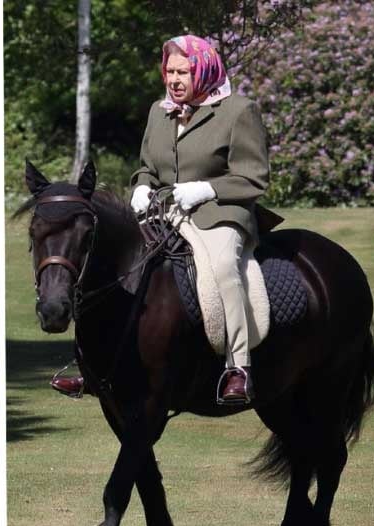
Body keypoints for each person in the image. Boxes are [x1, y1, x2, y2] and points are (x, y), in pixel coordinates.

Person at [51, 34, 271, 404]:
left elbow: (253, 177)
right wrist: (141, 186)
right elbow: (147, 168)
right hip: (164, 212)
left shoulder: (239, 111)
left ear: (203, 69)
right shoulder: (160, 110)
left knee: (221, 269)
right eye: (169, 71)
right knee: (107, 265)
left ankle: (238, 366)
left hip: (219, 213)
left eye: (182, 71)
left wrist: (207, 189)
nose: (174, 79)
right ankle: (90, 367)